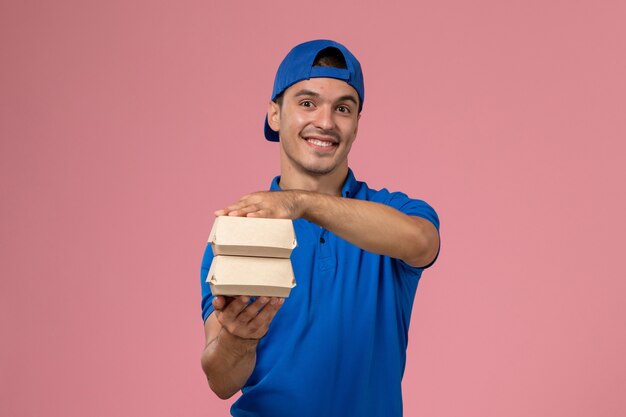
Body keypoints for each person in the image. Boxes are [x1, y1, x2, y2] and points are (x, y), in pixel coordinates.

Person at [200, 39, 440, 417]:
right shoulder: (240, 229)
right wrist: (238, 341)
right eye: (307, 103)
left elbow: (422, 243)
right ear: (275, 114)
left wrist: (302, 203)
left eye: (343, 108)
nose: (325, 122)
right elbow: (221, 381)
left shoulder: (392, 211)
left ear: (358, 123)